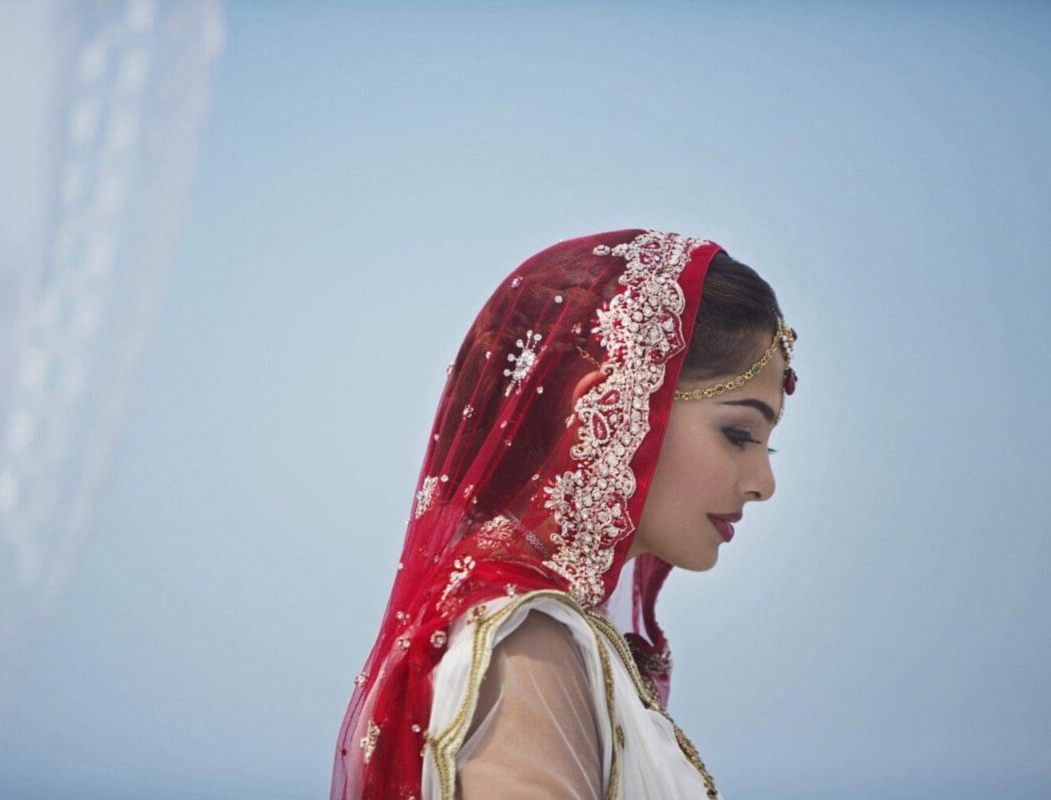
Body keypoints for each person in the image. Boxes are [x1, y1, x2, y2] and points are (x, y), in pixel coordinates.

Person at [331, 228, 799, 799]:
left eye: (766, 445)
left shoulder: (556, 631)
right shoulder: (529, 640)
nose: (764, 485)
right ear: (608, 408)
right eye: (739, 433)